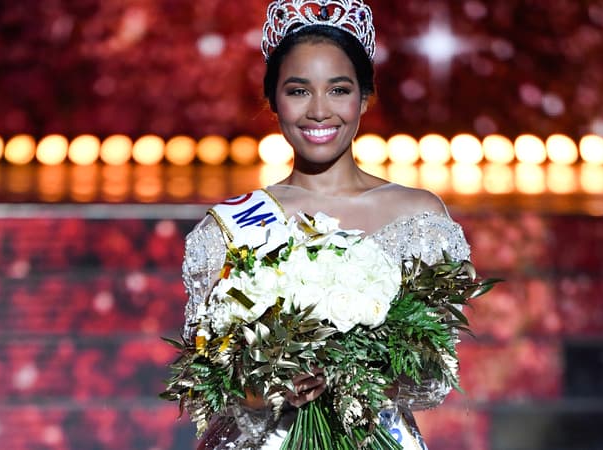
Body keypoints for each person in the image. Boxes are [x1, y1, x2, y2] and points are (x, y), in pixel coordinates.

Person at [181, 1, 470, 448]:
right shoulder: (226, 230)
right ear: (272, 100)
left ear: (365, 97)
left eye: (338, 90)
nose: (319, 111)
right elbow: (208, 380)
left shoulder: (419, 219)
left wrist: (347, 376)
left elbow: (434, 377)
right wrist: (271, 385)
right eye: (298, 91)